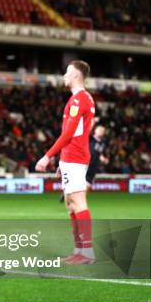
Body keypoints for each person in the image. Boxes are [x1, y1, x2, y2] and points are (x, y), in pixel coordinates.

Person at [35, 61, 95, 265]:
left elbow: (69, 133)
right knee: (71, 205)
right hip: (71, 156)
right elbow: (74, 133)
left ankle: (87, 253)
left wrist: (48, 155)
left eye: (67, 72)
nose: (64, 76)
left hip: (76, 156)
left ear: (77, 75)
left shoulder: (80, 99)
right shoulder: (78, 99)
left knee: (78, 202)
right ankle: (79, 250)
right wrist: (62, 159)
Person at [58, 123, 108, 202]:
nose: (101, 131)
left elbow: (100, 154)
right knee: (76, 181)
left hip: (93, 166)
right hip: (83, 163)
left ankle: (80, 199)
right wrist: (92, 122)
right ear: (95, 130)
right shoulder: (90, 138)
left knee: (87, 185)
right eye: (99, 129)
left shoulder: (103, 143)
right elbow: (87, 130)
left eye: (102, 130)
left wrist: (103, 159)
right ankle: (68, 194)